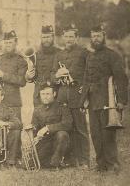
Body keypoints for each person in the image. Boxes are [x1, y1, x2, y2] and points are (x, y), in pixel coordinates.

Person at [80, 25, 128, 173]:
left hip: (108, 101)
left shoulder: (113, 55)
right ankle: (101, 164)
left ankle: (113, 164)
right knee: (95, 133)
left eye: (98, 36)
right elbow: (86, 80)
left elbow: (121, 79)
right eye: (93, 36)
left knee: (108, 133)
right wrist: (83, 101)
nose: (96, 39)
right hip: (93, 101)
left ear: (103, 37)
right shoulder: (90, 57)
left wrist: (121, 101)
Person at [51, 24, 90, 168]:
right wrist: (57, 75)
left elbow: (88, 75)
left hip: (77, 96)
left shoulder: (84, 53)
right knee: (66, 129)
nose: (68, 39)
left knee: (80, 130)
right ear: (62, 38)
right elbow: (52, 75)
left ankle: (84, 160)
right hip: (62, 97)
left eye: (71, 37)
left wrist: (84, 95)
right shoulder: (59, 55)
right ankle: (69, 159)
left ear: (77, 38)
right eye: (66, 37)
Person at [31, 82, 72, 170]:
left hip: (58, 142)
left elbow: (67, 124)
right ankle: (48, 161)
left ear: (54, 94)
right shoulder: (37, 109)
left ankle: (55, 164)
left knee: (62, 134)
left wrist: (47, 128)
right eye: (43, 94)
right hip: (44, 142)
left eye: (48, 94)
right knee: (29, 164)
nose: (45, 96)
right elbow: (34, 127)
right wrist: (33, 135)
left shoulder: (62, 107)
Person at [0, 30, 27, 120]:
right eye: (6, 42)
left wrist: (4, 76)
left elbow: (22, 81)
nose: (8, 45)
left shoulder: (20, 60)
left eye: (10, 42)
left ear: (16, 43)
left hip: (14, 103)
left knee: (15, 128)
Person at [25, 25, 61, 107]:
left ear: (53, 37)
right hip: (39, 95)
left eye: (48, 37)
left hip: (55, 94)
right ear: (41, 38)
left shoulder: (60, 53)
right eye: (44, 37)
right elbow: (30, 77)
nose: (46, 40)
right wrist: (28, 75)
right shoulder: (36, 54)